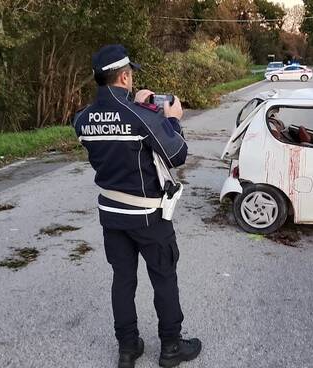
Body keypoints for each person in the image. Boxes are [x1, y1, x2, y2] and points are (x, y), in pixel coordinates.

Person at [72, 44, 201, 368]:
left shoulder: (82, 120)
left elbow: (113, 130)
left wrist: (138, 105)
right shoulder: (142, 117)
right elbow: (177, 155)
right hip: (148, 216)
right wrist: (170, 119)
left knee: (123, 280)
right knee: (163, 277)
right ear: (126, 76)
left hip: (112, 215)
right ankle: (171, 347)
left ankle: (128, 349)